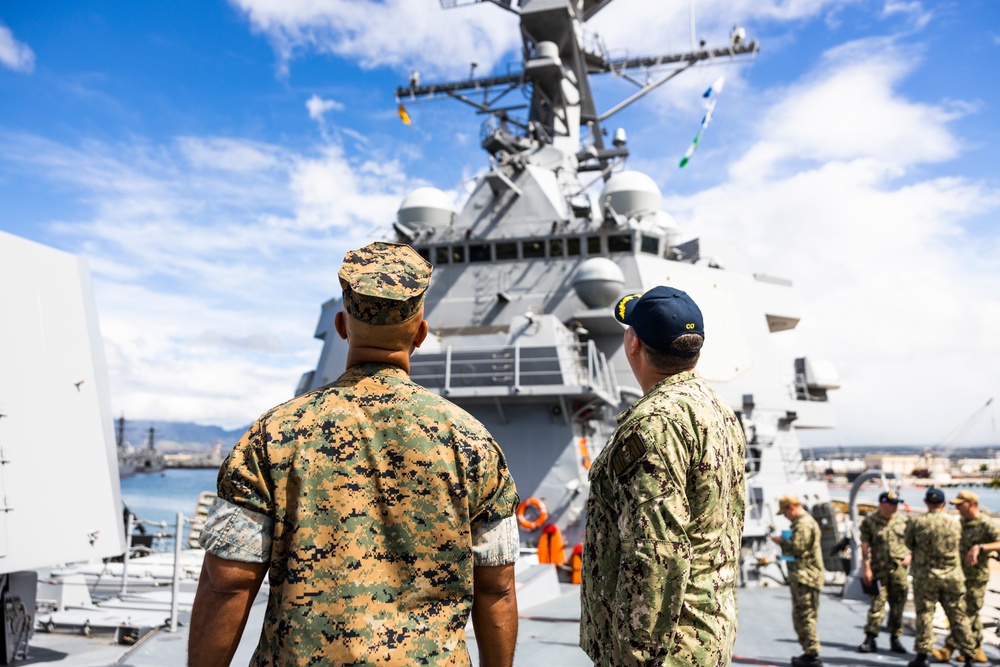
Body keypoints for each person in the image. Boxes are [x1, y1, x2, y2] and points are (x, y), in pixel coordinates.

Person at [188, 242, 521, 667]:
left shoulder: (273, 434)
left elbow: (229, 582)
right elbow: (496, 587)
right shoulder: (472, 442)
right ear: (420, 334)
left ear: (342, 325)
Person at [579, 286, 747, 666]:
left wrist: (637, 658)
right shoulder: (716, 409)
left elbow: (657, 552)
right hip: (705, 633)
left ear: (634, 343)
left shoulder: (653, 424)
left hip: (665, 650)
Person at [904, 487, 977, 667]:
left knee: (925, 614)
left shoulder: (918, 522)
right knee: (958, 615)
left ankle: (922, 656)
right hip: (952, 575)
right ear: (944, 503)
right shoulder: (955, 523)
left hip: (925, 576)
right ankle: (969, 656)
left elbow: (908, 543)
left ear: (926, 502)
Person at [931, 490, 1000, 663]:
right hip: (959, 576)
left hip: (977, 578)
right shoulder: (961, 522)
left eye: (960, 504)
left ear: (971, 504)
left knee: (966, 613)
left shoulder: (986, 523)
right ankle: (975, 649)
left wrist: (981, 547)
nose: (957, 507)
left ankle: (949, 647)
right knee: (970, 613)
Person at [772, 495, 826, 667]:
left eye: (785, 513)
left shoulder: (803, 524)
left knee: (806, 615)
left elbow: (797, 548)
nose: (785, 517)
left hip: (806, 577)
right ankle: (808, 652)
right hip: (803, 576)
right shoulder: (803, 523)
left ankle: (812, 655)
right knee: (801, 615)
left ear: (792, 508)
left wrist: (781, 541)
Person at [857, 490, 911, 654]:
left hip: (898, 571)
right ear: (882, 504)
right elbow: (865, 546)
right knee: (877, 605)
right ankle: (870, 638)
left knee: (897, 606)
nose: (895, 507)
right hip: (878, 571)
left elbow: (913, 542)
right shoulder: (870, 522)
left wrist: (910, 555)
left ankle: (895, 638)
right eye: (892, 504)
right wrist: (866, 568)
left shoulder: (904, 521)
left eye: (897, 504)